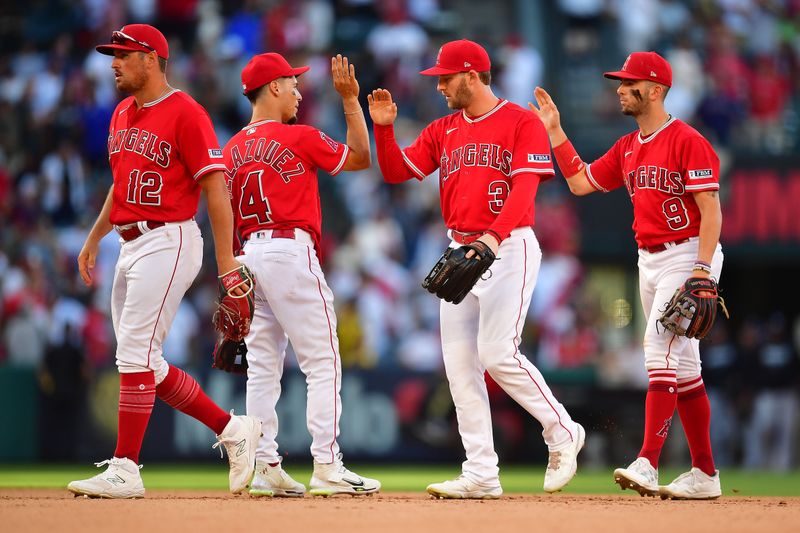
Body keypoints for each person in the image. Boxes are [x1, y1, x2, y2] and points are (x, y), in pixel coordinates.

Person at [368, 39, 585, 499]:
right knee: (459, 366)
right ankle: (481, 472)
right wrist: (384, 131)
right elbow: (395, 172)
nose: (440, 85)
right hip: (461, 248)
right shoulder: (443, 128)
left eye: (446, 77)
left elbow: (526, 189)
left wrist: (492, 237)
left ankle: (561, 430)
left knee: (497, 353)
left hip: (509, 246)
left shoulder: (521, 121)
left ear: (471, 75)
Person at [68, 24, 262, 499]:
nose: (113, 63)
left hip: (169, 238)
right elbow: (120, 183)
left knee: (132, 354)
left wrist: (226, 261)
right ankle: (232, 430)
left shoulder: (186, 113)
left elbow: (216, 187)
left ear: (151, 59)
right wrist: (95, 237)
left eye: (122, 55)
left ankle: (126, 468)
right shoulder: (120, 114)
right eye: (112, 54)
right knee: (145, 363)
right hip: (129, 242)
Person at [531, 51, 724, 500]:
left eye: (629, 82)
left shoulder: (687, 139)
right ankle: (705, 474)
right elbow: (579, 182)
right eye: (620, 81)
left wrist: (702, 269)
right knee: (687, 368)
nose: (619, 88)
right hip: (650, 258)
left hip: (689, 253)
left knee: (658, 346)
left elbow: (711, 209)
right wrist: (556, 132)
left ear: (655, 90)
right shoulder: (628, 147)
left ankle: (648, 462)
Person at [223, 52, 380, 497]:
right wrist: (351, 101)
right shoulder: (299, 136)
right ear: (273, 87)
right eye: (292, 84)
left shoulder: (232, 148)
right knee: (323, 361)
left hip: (247, 255)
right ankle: (328, 465)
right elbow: (361, 157)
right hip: (289, 250)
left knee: (262, 370)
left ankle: (264, 466)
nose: (298, 92)